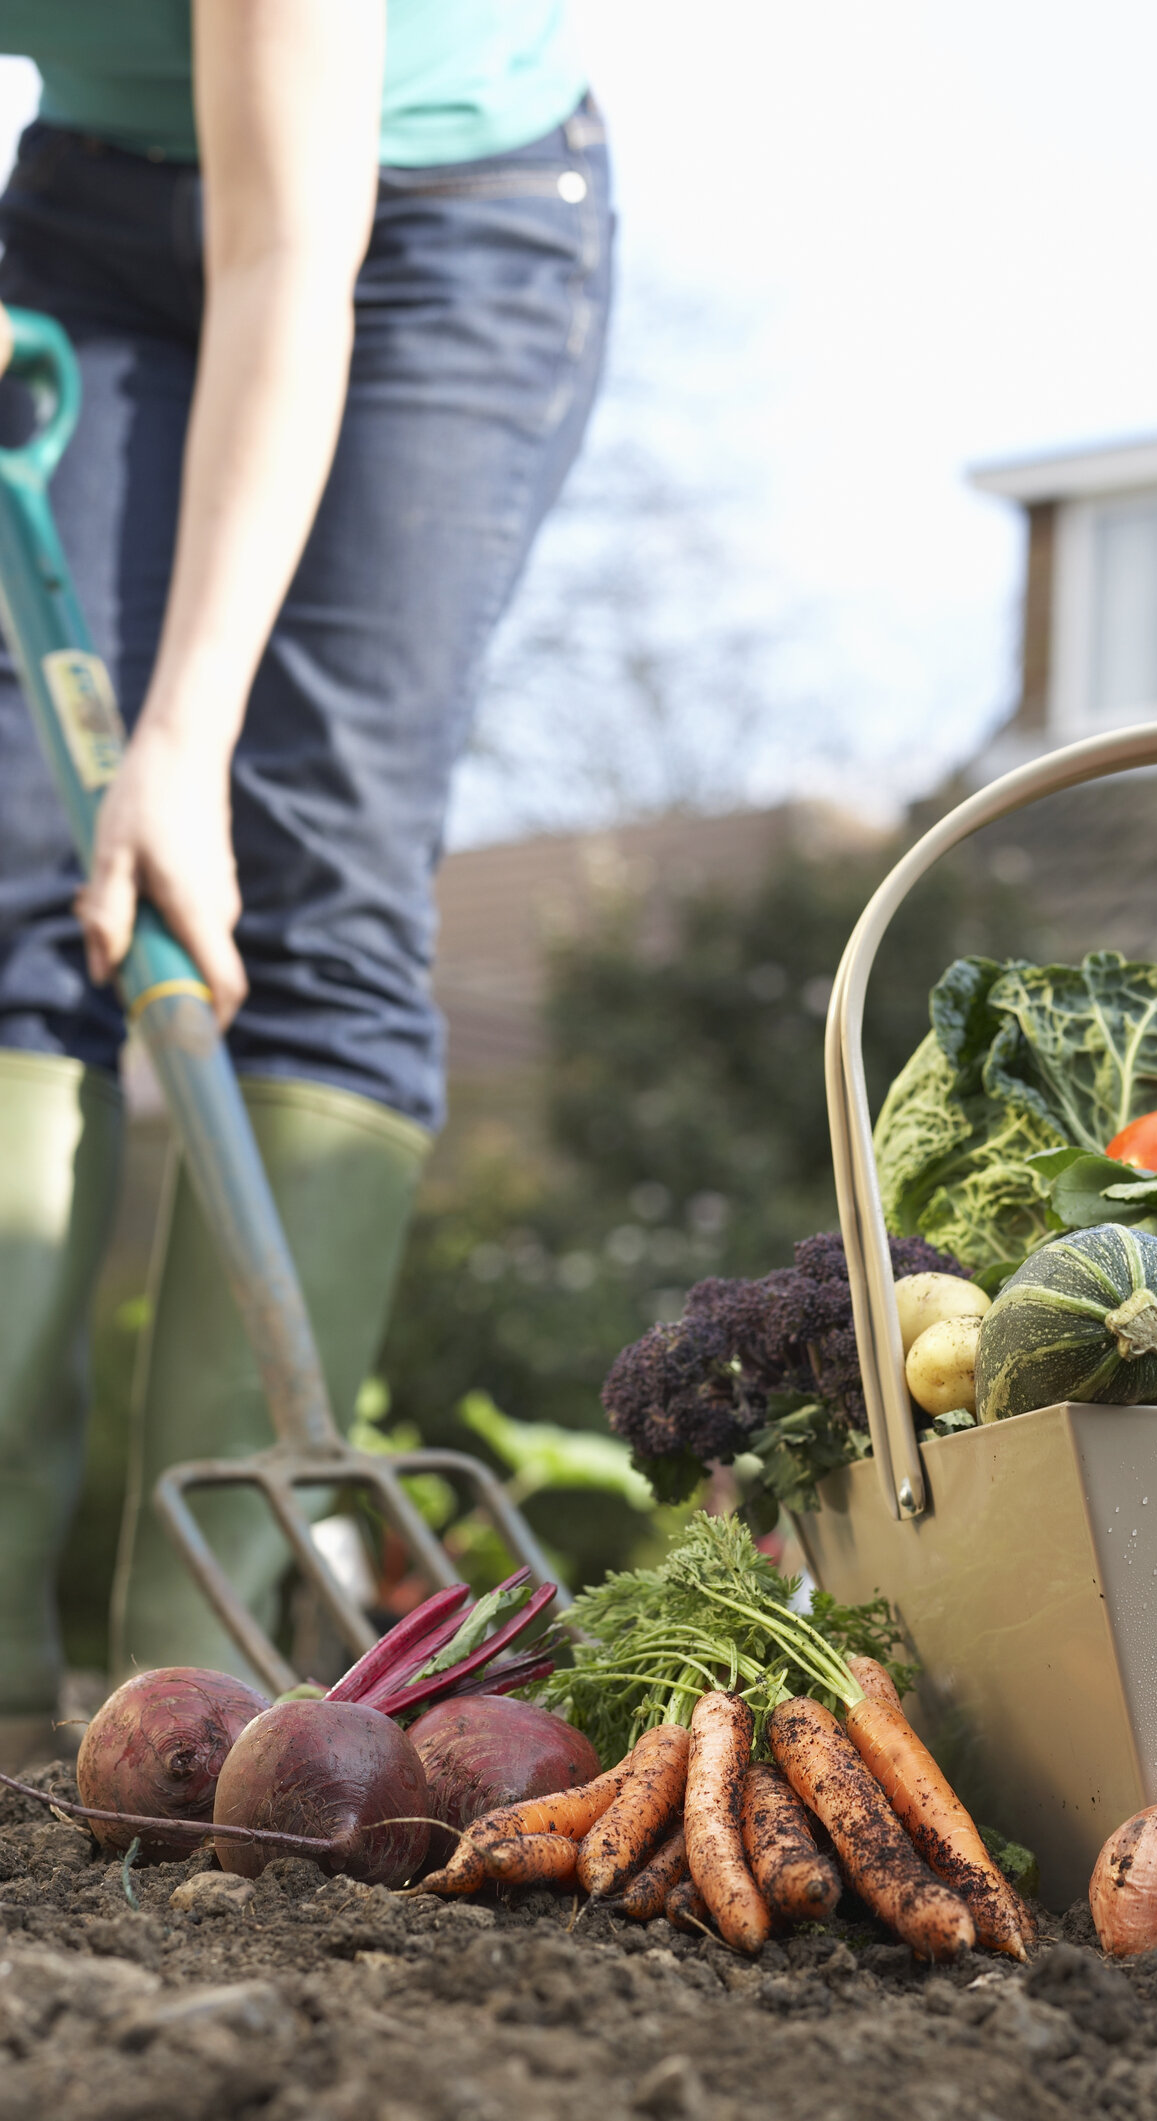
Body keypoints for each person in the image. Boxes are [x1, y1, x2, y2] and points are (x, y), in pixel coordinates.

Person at [0, 0, 613, 1765]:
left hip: (436, 222)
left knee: (315, 868)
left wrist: (178, 738)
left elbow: (286, 258)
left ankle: (186, 1703)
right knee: (22, 867)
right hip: (90, 200)